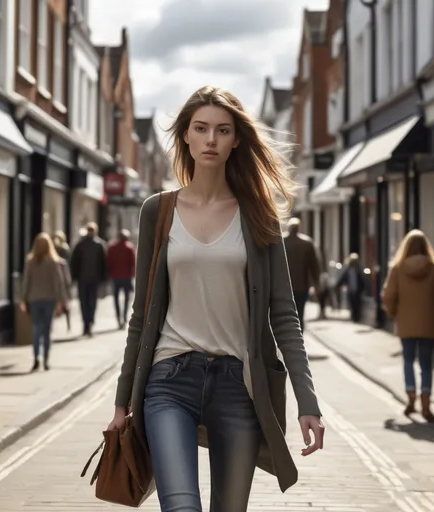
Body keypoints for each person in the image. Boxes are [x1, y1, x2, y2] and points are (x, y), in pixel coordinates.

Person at [106, 85, 325, 511]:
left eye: (222, 130)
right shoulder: (157, 210)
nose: (211, 139)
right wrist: (121, 402)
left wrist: (308, 401)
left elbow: (284, 316)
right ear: (185, 136)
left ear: (236, 139)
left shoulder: (257, 214)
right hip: (168, 380)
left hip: (237, 386)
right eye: (201, 128)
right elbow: (141, 315)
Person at [381, 230, 434, 424]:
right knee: (426, 364)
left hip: (406, 322)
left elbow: (389, 296)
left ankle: (411, 397)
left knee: (408, 360)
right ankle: (426, 404)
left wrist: (393, 314)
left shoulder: (397, 268)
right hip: (429, 322)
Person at [20, 233, 67, 371]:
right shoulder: (53, 261)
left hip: (34, 299)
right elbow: (58, 282)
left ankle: (36, 358)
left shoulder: (30, 261)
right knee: (46, 331)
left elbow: (26, 282)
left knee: (35, 329)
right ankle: (46, 360)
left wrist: (23, 299)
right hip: (49, 299)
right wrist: (61, 301)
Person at [70, 222, 107, 336]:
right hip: (92, 278)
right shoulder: (99, 244)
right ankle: (89, 322)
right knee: (91, 302)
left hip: (85, 278)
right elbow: (104, 263)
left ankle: (87, 323)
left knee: (85, 302)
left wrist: (74, 276)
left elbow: (74, 262)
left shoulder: (81, 244)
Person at [283, 217, 321, 330]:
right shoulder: (307, 243)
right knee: (299, 313)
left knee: (284, 315)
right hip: (301, 286)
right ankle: (299, 338)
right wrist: (316, 284)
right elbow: (314, 266)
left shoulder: (282, 241)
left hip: (284, 286)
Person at [107, 229, 136, 329]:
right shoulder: (130, 248)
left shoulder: (112, 247)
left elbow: (108, 262)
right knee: (127, 298)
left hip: (115, 277)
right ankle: (124, 317)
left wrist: (109, 273)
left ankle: (118, 318)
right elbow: (133, 263)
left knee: (116, 298)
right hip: (127, 277)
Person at [336, 253, 366, 323]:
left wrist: (364, 288)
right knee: (352, 303)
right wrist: (338, 285)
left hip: (357, 290)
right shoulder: (348, 270)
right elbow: (343, 278)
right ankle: (354, 317)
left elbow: (363, 280)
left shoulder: (359, 270)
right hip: (351, 290)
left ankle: (357, 317)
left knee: (357, 304)